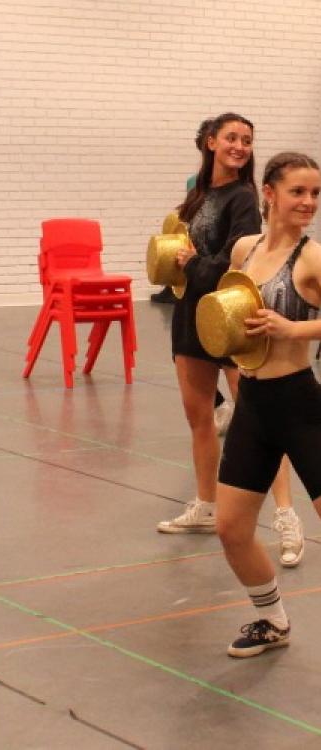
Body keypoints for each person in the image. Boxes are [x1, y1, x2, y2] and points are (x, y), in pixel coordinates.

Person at [157, 114, 302, 568]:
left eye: (247, 141)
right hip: (192, 318)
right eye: (232, 138)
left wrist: (191, 263)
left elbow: (231, 264)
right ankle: (205, 504)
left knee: (262, 422)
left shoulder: (241, 198)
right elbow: (185, 247)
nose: (239, 146)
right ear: (211, 142)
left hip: (231, 317)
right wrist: (176, 257)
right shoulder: (200, 193)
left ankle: (286, 516)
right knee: (200, 416)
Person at [216, 151, 321, 656]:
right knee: (231, 527)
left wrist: (293, 328)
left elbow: (292, 326)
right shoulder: (245, 250)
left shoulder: (313, 258)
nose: (308, 202)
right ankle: (272, 620)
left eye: (315, 193)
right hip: (253, 404)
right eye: (298, 191)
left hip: (299, 405)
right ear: (270, 193)